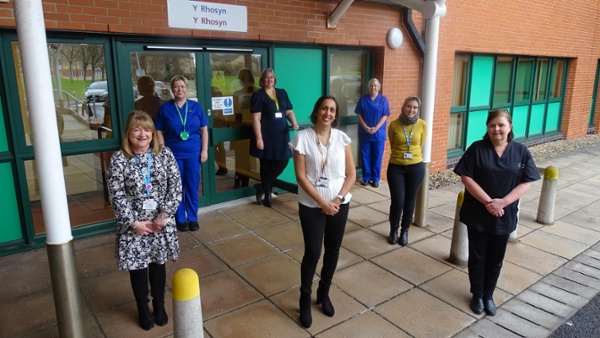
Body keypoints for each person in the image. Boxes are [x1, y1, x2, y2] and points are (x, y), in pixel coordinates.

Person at [454, 108, 540, 316]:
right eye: (492, 125)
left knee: (496, 258)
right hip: (478, 213)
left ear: (510, 127)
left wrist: (503, 202)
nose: (496, 129)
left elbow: (526, 181)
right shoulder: (477, 149)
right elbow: (466, 177)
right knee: (477, 256)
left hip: (504, 215)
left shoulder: (521, 152)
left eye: (501, 125)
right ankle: (477, 294)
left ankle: (488, 295)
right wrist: (488, 202)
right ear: (488, 128)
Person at [106, 110, 182, 331]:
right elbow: (116, 194)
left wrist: (164, 216)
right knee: (138, 269)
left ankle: (159, 306)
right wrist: (134, 223)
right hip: (134, 227)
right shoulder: (119, 159)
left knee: (158, 265)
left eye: (147, 129)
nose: (143, 134)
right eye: (137, 129)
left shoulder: (165, 154)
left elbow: (176, 187)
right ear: (128, 133)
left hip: (160, 224)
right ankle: (142, 308)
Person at [289, 95, 356, 328]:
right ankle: (305, 298)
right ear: (316, 111)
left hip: (339, 204)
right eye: (324, 109)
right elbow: (301, 177)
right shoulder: (302, 138)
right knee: (313, 252)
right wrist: (322, 202)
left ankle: (324, 293)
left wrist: (337, 199)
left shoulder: (342, 139)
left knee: (333, 250)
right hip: (311, 206)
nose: (328, 113)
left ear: (335, 115)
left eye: (332, 110)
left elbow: (351, 175)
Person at [155, 75, 208, 232]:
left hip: (193, 153)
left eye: (182, 86)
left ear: (187, 88)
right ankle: (180, 219)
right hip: (174, 154)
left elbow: (204, 129)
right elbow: (158, 129)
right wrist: (163, 149)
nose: (180, 89)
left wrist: (204, 150)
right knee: (176, 187)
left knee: (192, 186)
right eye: (176, 86)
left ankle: (192, 218)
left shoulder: (196, 107)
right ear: (172, 89)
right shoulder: (165, 109)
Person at [250, 67, 299, 207]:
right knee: (265, 165)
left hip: (281, 136)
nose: (269, 80)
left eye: (271, 77)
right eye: (266, 77)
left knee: (282, 160)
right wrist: (259, 139)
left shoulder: (282, 93)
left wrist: (294, 122)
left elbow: (288, 111)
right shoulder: (258, 96)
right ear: (262, 80)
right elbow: (255, 119)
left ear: (274, 79)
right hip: (265, 136)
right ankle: (267, 196)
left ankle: (262, 187)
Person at [387, 96, 427, 246]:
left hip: (415, 167)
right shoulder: (394, 125)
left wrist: (411, 158)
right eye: (409, 106)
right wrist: (401, 157)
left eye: (415, 107)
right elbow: (393, 144)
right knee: (398, 201)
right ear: (404, 107)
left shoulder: (422, 125)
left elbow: (420, 144)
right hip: (396, 167)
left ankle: (405, 231)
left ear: (418, 109)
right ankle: (393, 230)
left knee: (410, 201)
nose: (412, 110)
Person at [354, 78, 390, 188]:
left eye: (375, 86)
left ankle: (375, 179)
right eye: (371, 86)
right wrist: (364, 126)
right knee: (365, 155)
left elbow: (385, 115)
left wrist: (376, 128)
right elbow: (359, 113)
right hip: (365, 133)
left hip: (378, 134)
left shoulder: (383, 100)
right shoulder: (363, 99)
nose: (373, 88)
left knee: (377, 156)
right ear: (368, 87)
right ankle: (366, 177)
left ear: (379, 88)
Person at [232, 68, 259, 189]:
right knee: (245, 158)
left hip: (247, 129)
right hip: (246, 129)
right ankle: (242, 181)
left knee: (241, 158)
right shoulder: (259, 92)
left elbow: (234, 114)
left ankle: (240, 182)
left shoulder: (239, 94)